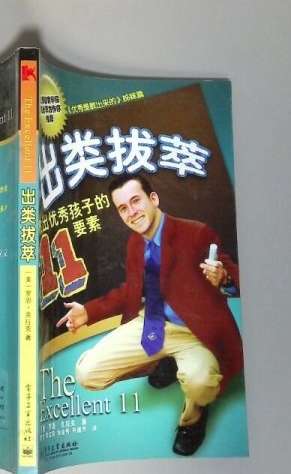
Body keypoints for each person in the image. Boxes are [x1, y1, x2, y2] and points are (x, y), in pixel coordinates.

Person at [56, 173, 243, 456]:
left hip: (195, 334)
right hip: (152, 323)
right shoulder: (135, 244)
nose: (131, 212)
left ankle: (193, 419)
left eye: (136, 201)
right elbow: (130, 290)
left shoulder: (196, 233)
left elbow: (235, 274)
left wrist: (224, 278)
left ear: (153, 198)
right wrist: (88, 312)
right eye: (123, 208)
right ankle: (162, 360)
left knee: (200, 384)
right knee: (86, 373)